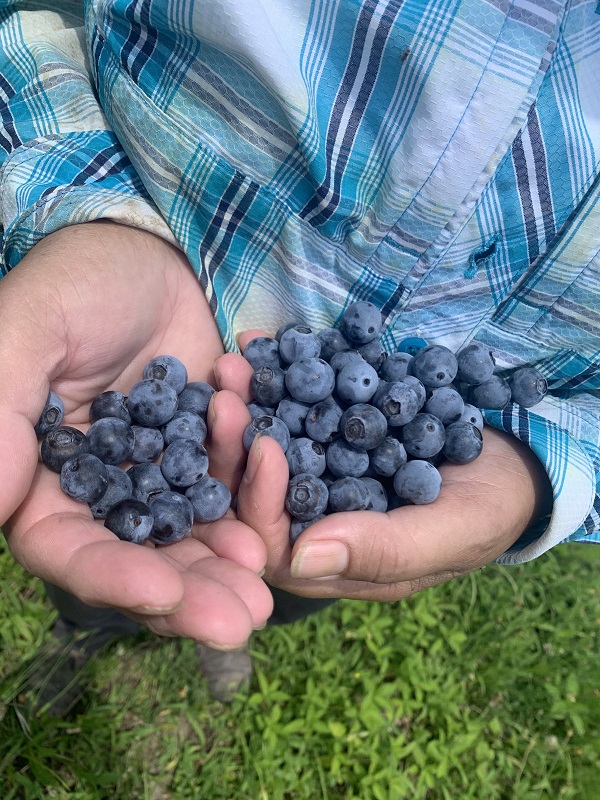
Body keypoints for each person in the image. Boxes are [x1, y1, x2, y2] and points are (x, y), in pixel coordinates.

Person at [1, 0, 598, 712]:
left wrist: (549, 459)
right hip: (161, 257)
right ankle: (83, 629)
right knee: (107, 562)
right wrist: (86, 214)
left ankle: (228, 637)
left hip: (326, 509)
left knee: (284, 570)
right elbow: (37, 10)